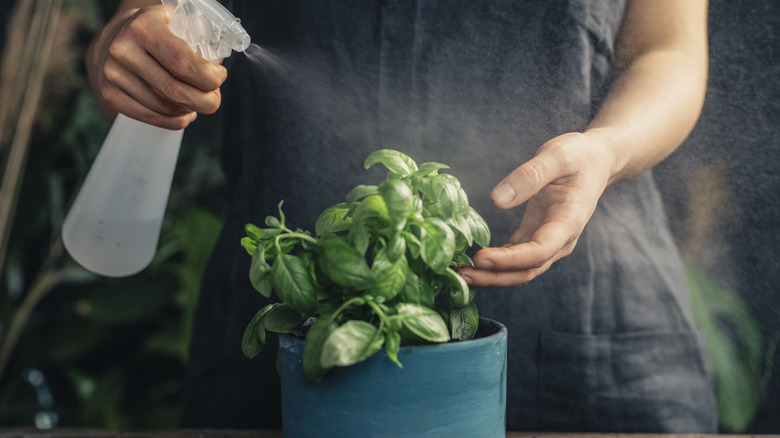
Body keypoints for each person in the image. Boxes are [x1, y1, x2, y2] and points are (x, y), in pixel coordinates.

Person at [85, 0, 716, 432]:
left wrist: (607, 148)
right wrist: (133, 50)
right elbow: (143, 20)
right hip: (292, 317)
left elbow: (669, 51)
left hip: (589, 323)